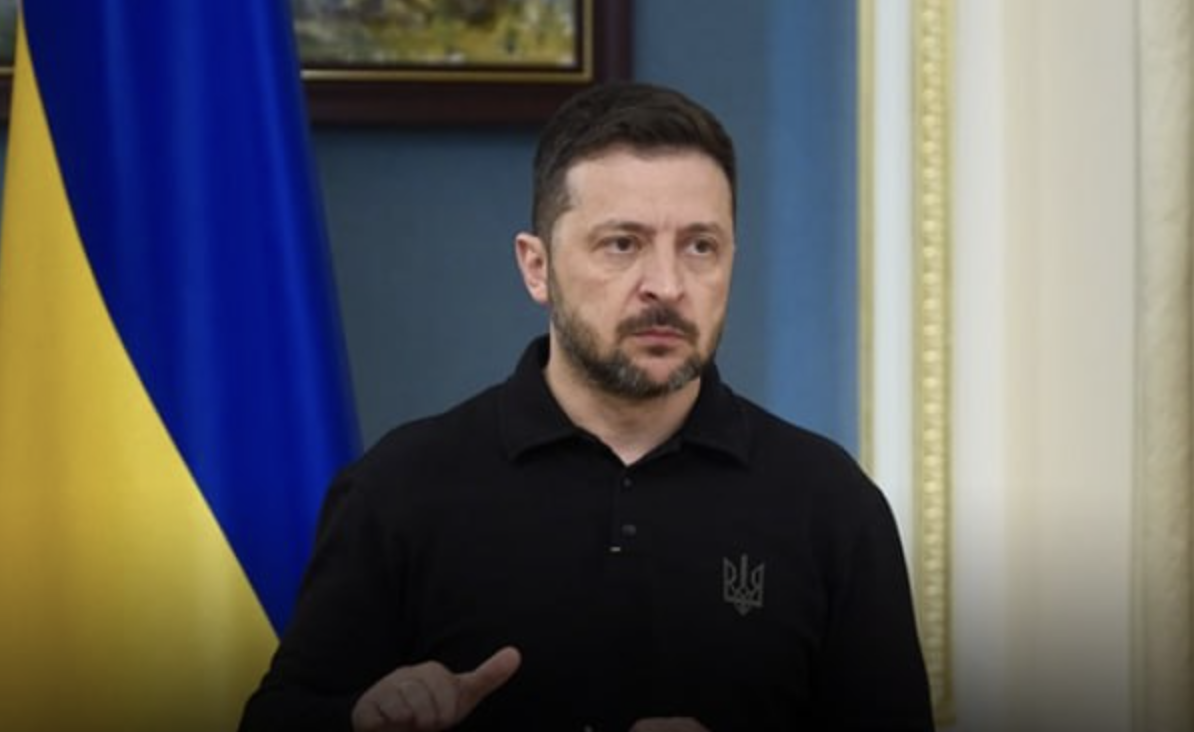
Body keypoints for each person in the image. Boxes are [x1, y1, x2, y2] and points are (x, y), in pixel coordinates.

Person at [239, 81, 934, 732]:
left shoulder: (830, 503)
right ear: (536, 267)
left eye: (700, 246)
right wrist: (363, 719)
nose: (666, 285)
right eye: (622, 244)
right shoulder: (401, 486)